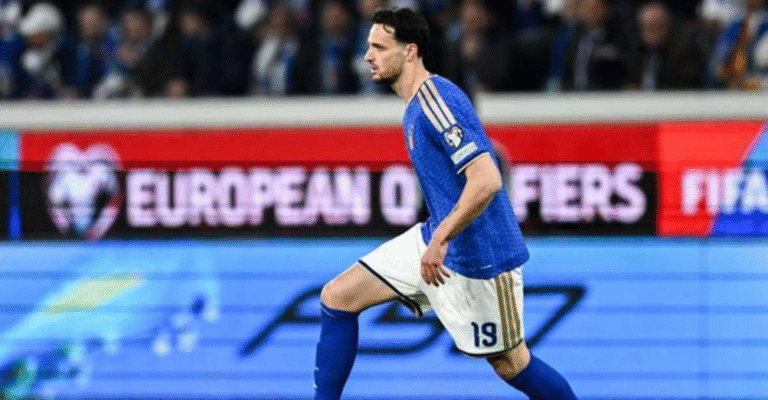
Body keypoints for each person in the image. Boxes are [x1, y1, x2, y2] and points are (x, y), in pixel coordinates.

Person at [312, 8, 578, 400]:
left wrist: (440, 238)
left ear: (410, 51)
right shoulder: (415, 106)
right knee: (338, 296)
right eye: (369, 46)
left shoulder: (437, 102)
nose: (368, 56)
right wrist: (436, 237)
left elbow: (486, 180)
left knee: (512, 364)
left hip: (482, 258)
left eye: (380, 47)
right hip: (436, 241)